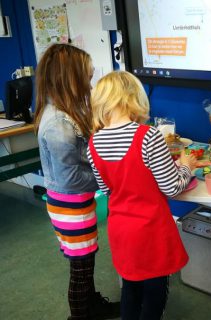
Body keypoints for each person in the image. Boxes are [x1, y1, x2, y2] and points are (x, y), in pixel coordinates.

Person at [87, 70, 197, 320]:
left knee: (131, 287)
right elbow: (172, 187)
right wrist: (186, 166)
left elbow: (107, 189)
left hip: (120, 229)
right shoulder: (148, 136)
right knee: (155, 291)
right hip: (150, 230)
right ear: (132, 97)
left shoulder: (93, 143)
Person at [34, 43, 120, 320]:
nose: (90, 83)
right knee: (81, 270)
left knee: (86, 262)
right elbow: (71, 178)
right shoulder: (58, 123)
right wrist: (109, 178)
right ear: (69, 78)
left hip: (73, 204)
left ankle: (92, 306)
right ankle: (81, 315)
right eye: (87, 76)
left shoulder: (61, 112)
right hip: (71, 207)